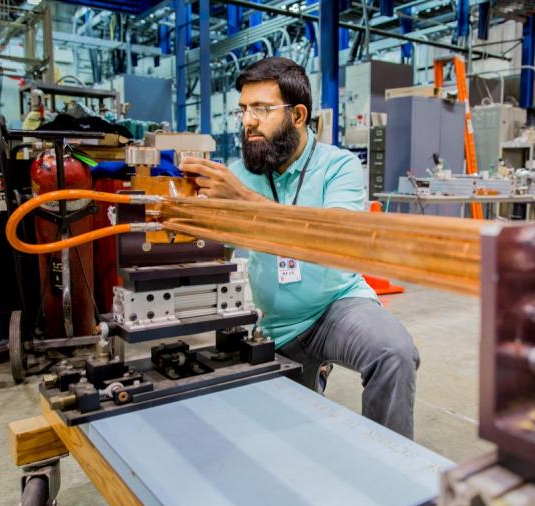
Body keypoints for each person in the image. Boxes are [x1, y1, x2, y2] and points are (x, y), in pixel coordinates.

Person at [180, 57, 420, 438]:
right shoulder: (238, 174)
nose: (247, 121)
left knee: (393, 351)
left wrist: (242, 200)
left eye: (262, 109)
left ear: (298, 115)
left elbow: (336, 239)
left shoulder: (338, 166)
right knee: (282, 441)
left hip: (335, 305)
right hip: (270, 325)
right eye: (243, 109)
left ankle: (394, 472)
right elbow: (206, 247)